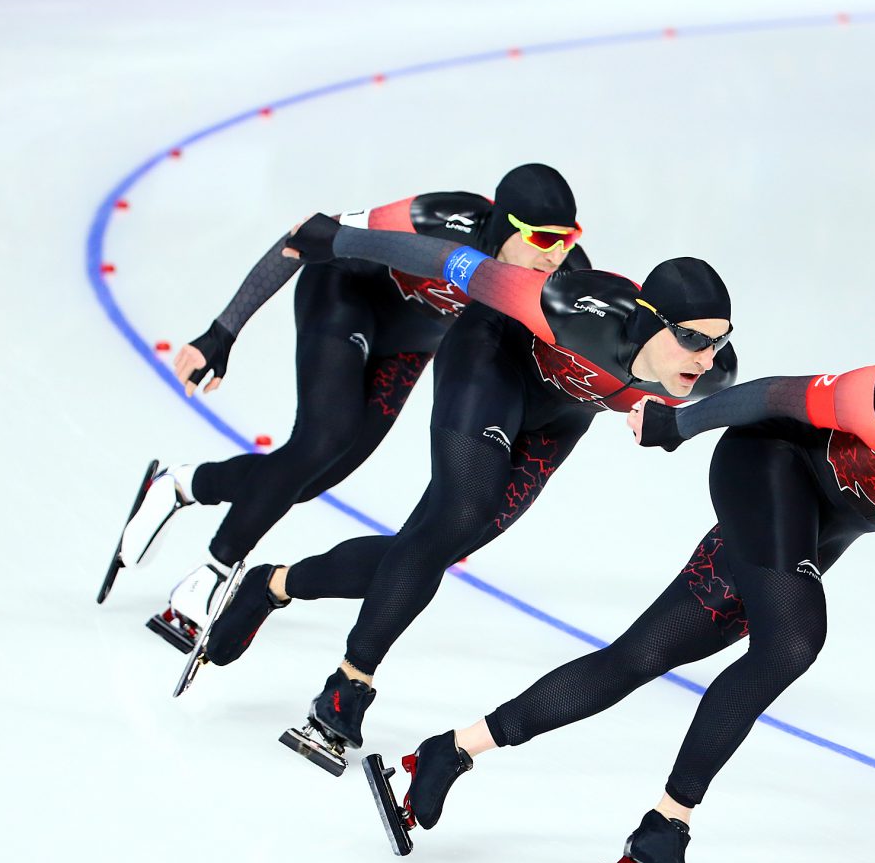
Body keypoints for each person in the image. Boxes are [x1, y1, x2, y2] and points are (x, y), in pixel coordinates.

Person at [363, 362, 875, 863]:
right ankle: (666, 824)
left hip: (813, 530)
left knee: (640, 656)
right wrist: (679, 423)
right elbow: (776, 396)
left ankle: (449, 750)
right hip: (765, 465)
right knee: (794, 638)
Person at [202, 212, 739, 775]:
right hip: (489, 361)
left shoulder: (712, 373)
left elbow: (747, 406)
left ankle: (273, 584)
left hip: (557, 418)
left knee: (431, 547)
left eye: (718, 341)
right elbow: (450, 263)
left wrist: (681, 425)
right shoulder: (566, 304)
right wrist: (338, 239)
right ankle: (347, 687)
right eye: (691, 339)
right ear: (650, 322)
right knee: (461, 512)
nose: (705, 357)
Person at [97, 164, 589, 654]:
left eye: (568, 239)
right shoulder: (439, 217)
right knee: (323, 439)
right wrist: (223, 331)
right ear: (505, 225)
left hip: (409, 346)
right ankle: (212, 574)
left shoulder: (563, 275)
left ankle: (183, 484)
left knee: (315, 476)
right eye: (545, 240)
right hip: (343, 297)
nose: (558, 254)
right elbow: (311, 234)